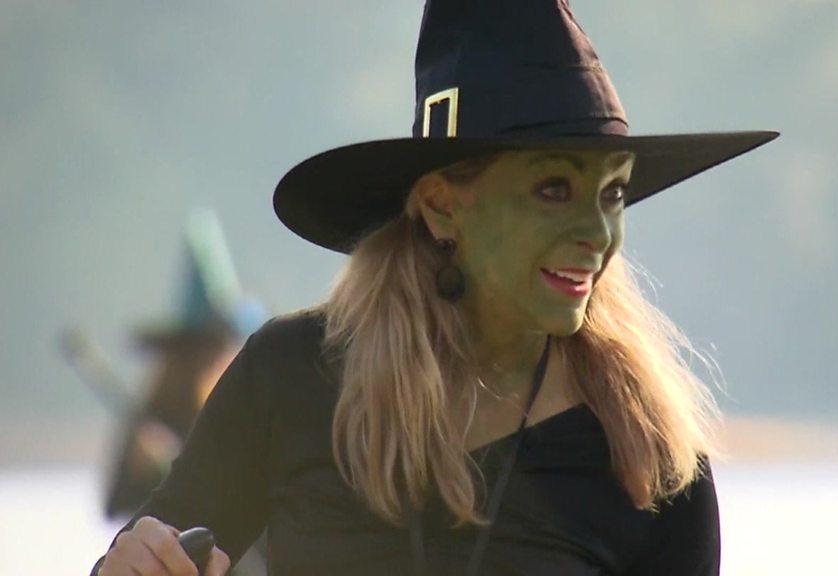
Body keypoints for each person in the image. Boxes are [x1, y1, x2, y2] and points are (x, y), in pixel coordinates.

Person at [91, 1, 777, 575]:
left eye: (613, 192)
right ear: (442, 205)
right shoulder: (289, 376)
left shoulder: (649, 455)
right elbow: (147, 558)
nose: (597, 233)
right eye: (553, 189)